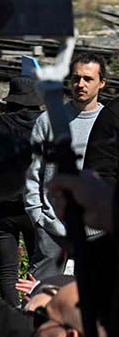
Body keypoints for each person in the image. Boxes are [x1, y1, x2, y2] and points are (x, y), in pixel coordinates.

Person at [24, 52, 106, 270]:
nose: (80, 84)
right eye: (76, 78)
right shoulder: (49, 120)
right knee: (41, 296)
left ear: (102, 83)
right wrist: (38, 216)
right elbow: (33, 170)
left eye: (88, 79)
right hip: (53, 229)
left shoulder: (111, 124)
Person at [0, 76, 50, 305]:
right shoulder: (47, 127)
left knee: (7, 271)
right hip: (35, 209)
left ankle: (11, 317)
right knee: (38, 267)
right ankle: (36, 311)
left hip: (2, 211)